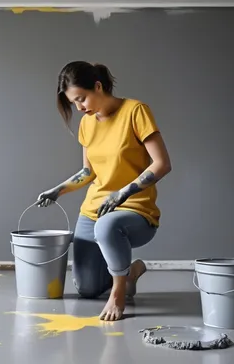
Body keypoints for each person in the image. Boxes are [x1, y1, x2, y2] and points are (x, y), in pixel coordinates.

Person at [36, 61, 172, 321]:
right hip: (94, 208)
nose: (79, 108)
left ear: (98, 86)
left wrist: (123, 192)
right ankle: (130, 272)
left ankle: (118, 293)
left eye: (81, 99)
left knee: (107, 226)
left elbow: (162, 164)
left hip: (134, 209)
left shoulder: (135, 111)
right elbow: (88, 172)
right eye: (74, 103)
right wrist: (58, 190)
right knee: (87, 289)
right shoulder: (87, 124)